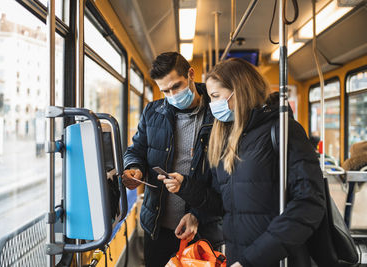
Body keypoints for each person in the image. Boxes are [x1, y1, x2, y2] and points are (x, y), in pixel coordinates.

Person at [160, 58, 326, 267]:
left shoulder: (283, 131)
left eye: (216, 96)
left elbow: (309, 204)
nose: (212, 106)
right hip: (238, 255)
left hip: (278, 258)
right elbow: (222, 202)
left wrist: (252, 260)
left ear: (239, 91)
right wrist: (186, 188)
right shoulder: (226, 139)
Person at [122, 52, 223, 267]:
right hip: (158, 228)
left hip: (201, 230)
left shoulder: (218, 114)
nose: (172, 95)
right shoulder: (153, 112)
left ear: (191, 74)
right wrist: (135, 168)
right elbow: (136, 150)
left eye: (176, 86)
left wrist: (198, 215)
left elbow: (222, 179)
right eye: (165, 91)